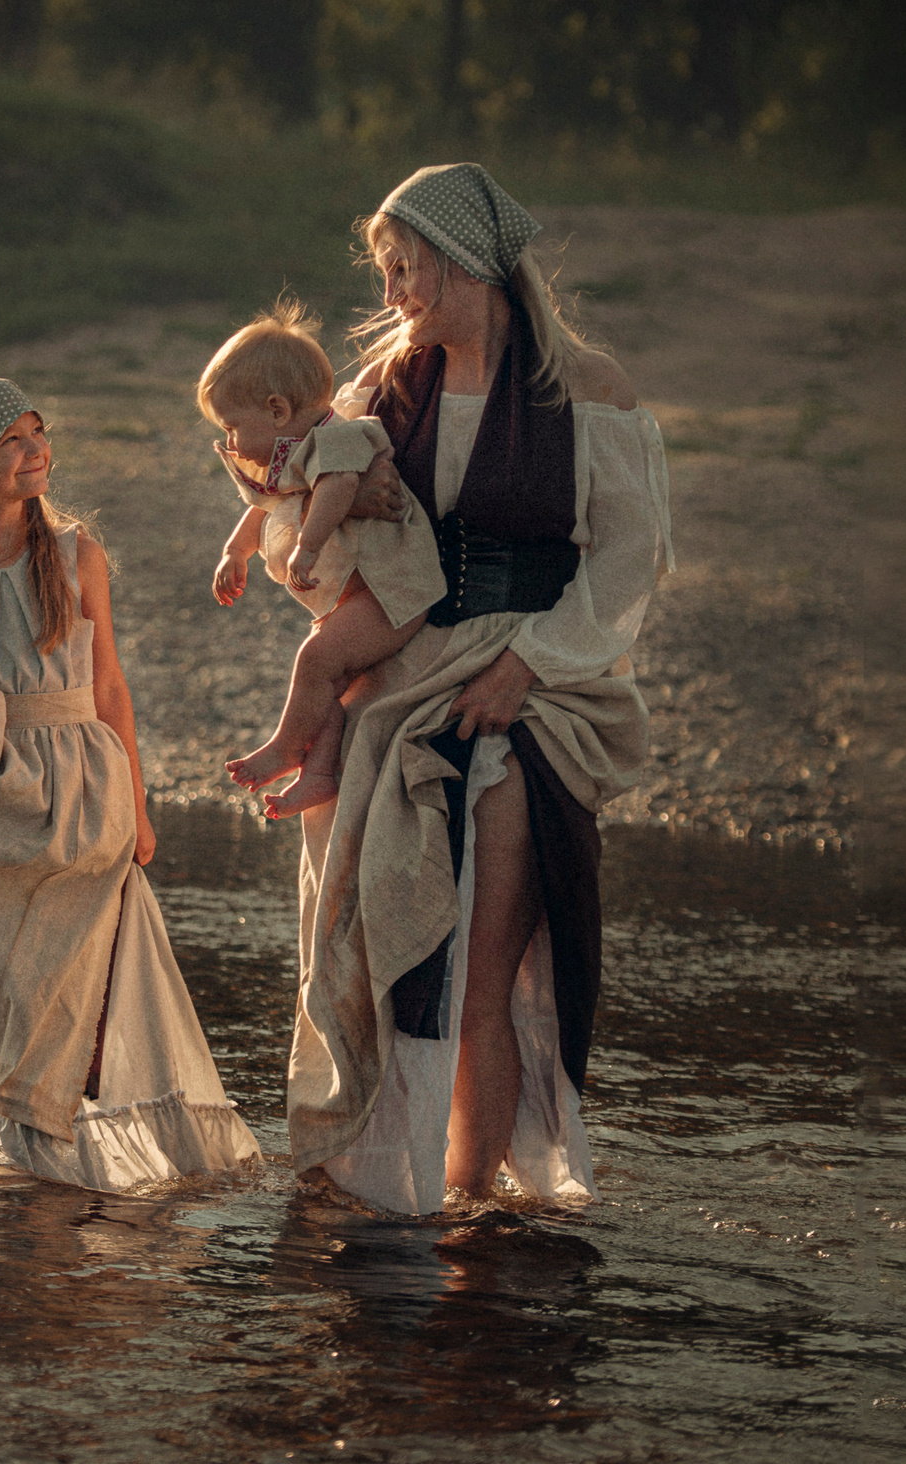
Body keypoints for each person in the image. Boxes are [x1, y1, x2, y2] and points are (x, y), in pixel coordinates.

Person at [288, 164, 674, 1214]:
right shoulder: (379, 398)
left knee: (481, 970)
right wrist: (302, 518)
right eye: (388, 271)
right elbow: (337, 573)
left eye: (407, 268)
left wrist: (528, 664)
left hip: (533, 686)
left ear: (467, 264)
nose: (394, 291)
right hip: (404, 682)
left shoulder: (584, 388)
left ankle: (465, 1202)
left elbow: (628, 563)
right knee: (382, 947)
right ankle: (391, 1184)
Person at [0, 373, 263, 1192]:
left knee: (68, 981)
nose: (38, 449)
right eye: (13, 439)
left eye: (39, 432)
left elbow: (110, 685)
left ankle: (45, 1156)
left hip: (83, 783)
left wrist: (140, 808)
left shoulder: (77, 552)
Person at [199, 300, 444, 819]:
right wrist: (233, 552)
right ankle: (318, 772)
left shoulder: (337, 438)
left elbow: (336, 490)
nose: (230, 443)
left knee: (314, 662)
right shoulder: (293, 453)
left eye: (232, 427)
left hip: (394, 590)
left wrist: (307, 547)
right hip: (365, 594)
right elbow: (267, 506)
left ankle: (287, 747)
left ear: (277, 410)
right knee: (326, 679)